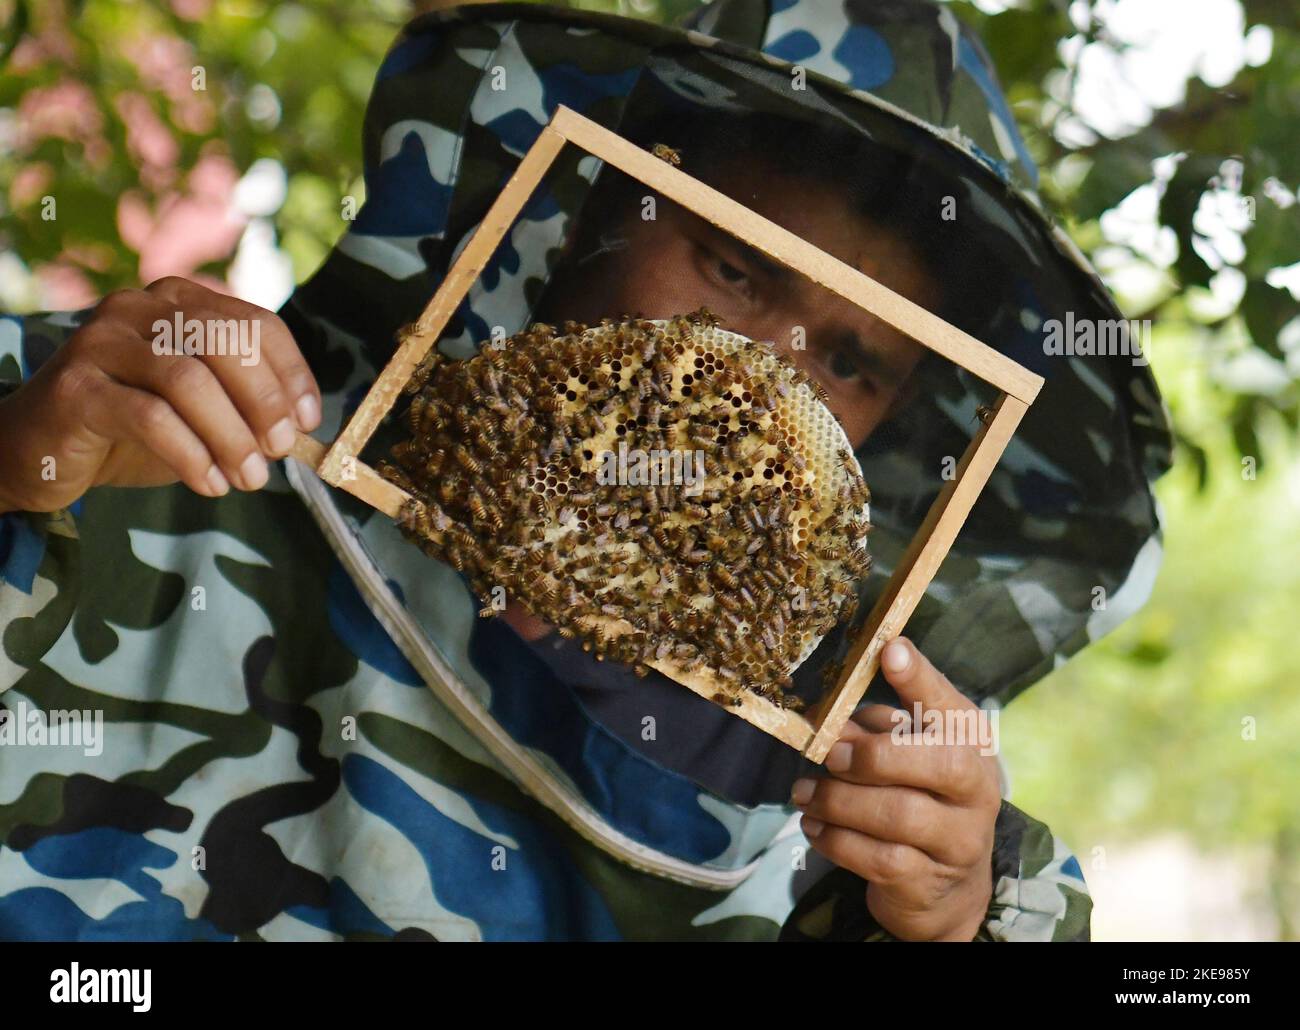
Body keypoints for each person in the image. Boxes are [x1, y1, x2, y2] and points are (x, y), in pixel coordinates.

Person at [0, 0, 1169, 941]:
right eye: (733, 268)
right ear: (594, 206)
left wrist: (956, 917)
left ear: (897, 423)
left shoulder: (856, 798)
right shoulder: (180, 429)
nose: (757, 382)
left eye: (853, 360)